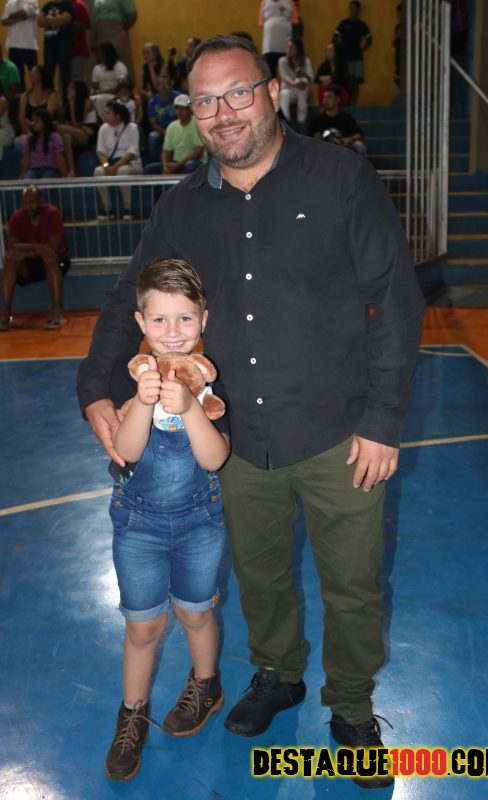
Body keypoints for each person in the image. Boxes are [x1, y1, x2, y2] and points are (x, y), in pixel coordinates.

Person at [77, 35, 425, 791]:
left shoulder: (341, 178)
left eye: (237, 92)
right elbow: (127, 297)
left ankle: (352, 707)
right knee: (260, 574)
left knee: (353, 585)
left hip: (340, 433)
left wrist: (383, 419)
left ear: (270, 92)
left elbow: (396, 300)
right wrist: (97, 388)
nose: (223, 113)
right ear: (191, 114)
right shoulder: (181, 206)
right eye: (204, 101)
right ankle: (277, 673)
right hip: (235, 441)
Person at [102, 257, 229, 781]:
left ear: (203, 320)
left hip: (199, 523)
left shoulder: (209, 381)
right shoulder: (132, 377)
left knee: (196, 613)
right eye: (159, 319)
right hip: (138, 525)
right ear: (141, 323)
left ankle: (206, 683)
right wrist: (140, 401)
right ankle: (132, 713)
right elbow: (128, 451)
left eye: (184, 319)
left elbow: (214, 459)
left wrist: (192, 409)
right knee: (143, 625)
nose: (172, 332)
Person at [0, 184, 69, 331]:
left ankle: (57, 313)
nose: (28, 206)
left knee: (49, 257)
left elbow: (53, 246)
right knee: (10, 258)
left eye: (31, 202)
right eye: (25, 202)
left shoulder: (52, 213)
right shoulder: (17, 216)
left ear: (40, 201)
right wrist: (36, 248)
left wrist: (28, 251)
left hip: (56, 261)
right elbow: (12, 245)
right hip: (29, 263)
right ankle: (5, 314)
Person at [93, 100, 142, 220]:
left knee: (122, 171)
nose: (105, 116)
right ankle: (107, 209)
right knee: (98, 171)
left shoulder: (132, 128)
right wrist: (106, 166)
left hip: (131, 164)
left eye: (108, 113)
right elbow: (100, 151)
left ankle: (128, 208)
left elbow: (132, 152)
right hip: (110, 163)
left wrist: (116, 166)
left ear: (118, 115)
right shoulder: (103, 128)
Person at [144, 94, 204, 175]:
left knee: (190, 165)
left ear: (190, 110)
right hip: (176, 163)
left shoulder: (197, 125)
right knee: (149, 169)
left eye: (183, 108)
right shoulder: (172, 126)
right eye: (177, 108)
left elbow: (198, 152)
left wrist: (177, 165)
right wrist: (165, 165)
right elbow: (166, 151)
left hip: (194, 163)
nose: (180, 111)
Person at [308, 85, 366, 155]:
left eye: (329, 97)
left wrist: (349, 139)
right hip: (323, 151)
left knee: (359, 146)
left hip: (343, 150)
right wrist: (316, 138)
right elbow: (308, 138)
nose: (325, 100)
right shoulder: (317, 119)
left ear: (337, 100)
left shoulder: (346, 118)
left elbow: (359, 134)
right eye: (324, 97)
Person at [89, 0, 137, 83]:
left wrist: (121, 28)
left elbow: (132, 15)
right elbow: (93, 20)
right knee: (102, 62)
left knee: (119, 61)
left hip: (116, 33)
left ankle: (123, 88)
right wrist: (92, 39)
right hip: (100, 34)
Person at [334, 0, 372, 105]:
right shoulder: (343, 23)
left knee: (356, 82)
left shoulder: (362, 25)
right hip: (345, 58)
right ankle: (346, 103)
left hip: (357, 58)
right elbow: (335, 36)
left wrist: (362, 50)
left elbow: (369, 39)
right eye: (350, 8)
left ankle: (354, 104)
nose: (351, 10)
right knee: (346, 82)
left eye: (353, 8)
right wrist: (338, 49)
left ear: (358, 10)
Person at [57, 80, 97, 175]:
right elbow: (69, 125)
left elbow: (76, 124)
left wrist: (71, 103)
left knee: (60, 128)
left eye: (71, 88)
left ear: (78, 89)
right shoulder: (68, 105)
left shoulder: (87, 102)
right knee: (66, 137)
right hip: (79, 131)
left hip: (89, 133)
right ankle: (72, 170)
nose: (68, 90)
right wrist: (70, 104)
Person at [37, 0, 73, 99]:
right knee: (48, 74)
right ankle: (49, 100)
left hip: (63, 45)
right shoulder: (47, 6)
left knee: (65, 76)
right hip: (49, 46)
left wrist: (47, 20)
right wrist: (56, 20)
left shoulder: (68, 5)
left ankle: (66, 102)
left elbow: (64, 21)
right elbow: (39, 22)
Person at [20, 108, 68, 178]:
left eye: (37, 121)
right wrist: (22, 175)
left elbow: (60, 158)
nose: (33, 123)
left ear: (45, 122)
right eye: (33, 120)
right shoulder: (29, 138)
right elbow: (26, 158)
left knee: (46, 179)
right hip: (33, 169)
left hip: (51, 168)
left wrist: (65, 177)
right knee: (28, 178)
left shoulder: (55, 137)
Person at [258, 0, 299, 78]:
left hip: (286, 47)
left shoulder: (290, 2)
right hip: (269, 47)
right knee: (269, 75)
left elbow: (295, 23)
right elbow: (261, 24)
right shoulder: (264, 3)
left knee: (288, 74)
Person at [17, 64, 60, 137]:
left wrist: (31, 123)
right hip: (29, 132)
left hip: (46, 132)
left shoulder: (52, 95)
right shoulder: (25, 96)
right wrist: (30, 135)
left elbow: (47, 118)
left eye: (36, 72)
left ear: (42, 76)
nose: (31, 73)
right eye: (31, 71)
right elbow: (22, 120)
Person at [1, 0, 38, 83]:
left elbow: (24, 14)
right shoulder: (10, 2)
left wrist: (11, 16)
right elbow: (4, 21)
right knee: (17, 78)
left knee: (35, 77)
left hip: (29, 45)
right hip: (13, 45)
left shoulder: (33, 1)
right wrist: (21, 16)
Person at [145, 73, 179, 164]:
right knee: (152, 137)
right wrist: (164, 132)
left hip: (178, 128)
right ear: (157, 86)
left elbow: (185, 114)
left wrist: (172, 131)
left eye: (166, 83)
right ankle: (155, 164)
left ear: (171, 84)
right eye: (160, 84)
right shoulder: (152, 101)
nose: (163, 86)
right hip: (160, 130)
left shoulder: (178, 97)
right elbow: (153, 122)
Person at [277, 38, 313, 124]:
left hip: (302, 89)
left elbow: (311, 78)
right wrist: (296, 84)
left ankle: (301, 121)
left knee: (302, 89)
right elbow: (285, 77)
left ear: (298, 49)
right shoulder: (282, 61)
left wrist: (303, 74)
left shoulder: (305, 60)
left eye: (292, 48)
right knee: (283, 94)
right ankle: (286, 122)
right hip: (289, 89)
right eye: (288, 47)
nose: (289, 50)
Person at [90, 41, 128, 121]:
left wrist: (103, 92)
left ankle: (105, 120)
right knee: (92, 100)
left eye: (101, 53)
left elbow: (122, 85)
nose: (100, 55)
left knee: (99, 99)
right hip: (100, 94)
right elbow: (94, 85)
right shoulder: (97, 68)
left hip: (115, 95)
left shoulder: (119, 66)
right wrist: (93, 91)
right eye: (99, 53)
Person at [314, 40, 350, 106]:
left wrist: (331, 79)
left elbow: (346, 79)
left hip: (341, 93)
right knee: (322, 86)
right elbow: (316, 79)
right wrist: (323, 79)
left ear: (337, 52)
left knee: (331, 86)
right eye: (327, 50)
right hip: (327, 91)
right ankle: (324, 106)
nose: (328, 52)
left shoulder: (343, 65)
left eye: (331, 50)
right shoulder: (323, 65)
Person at [70, 0, 90, 82]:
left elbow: (87, 24)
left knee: (77, 80)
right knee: (63, 81)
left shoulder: (79, 5)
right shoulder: (60, 6)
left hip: (78, 50)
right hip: (63, 53)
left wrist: (69, 24)